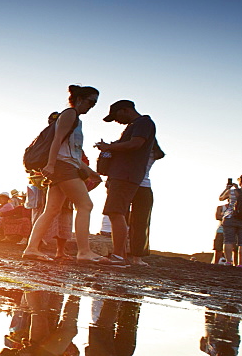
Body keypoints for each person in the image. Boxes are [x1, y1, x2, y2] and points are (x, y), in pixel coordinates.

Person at [22, 85, 104, 262]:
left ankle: (31, 248)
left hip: (64, 166)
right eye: (91, 101)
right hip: (62, 167)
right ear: (80, 99)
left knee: (52, 209)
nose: (92, 106)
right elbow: (57, 140)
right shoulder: (70, 114)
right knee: (85, 205)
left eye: (95, 103)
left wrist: (90, 172)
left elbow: (72, 153)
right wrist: (50, 164)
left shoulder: (75, 118)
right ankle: (84, 252)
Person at [95, 100, 157, 267]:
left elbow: (136, 144)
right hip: (127, 175)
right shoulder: (138, 125)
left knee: (116, 212)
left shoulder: (143, 122)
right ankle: (122, 256)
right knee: (119, 213)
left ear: (126, 110)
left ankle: (119, 256)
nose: (116, 120)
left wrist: (110, 147)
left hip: (125, 175)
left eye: (116, 116)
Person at [126, 141, 165, 266]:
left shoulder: (134, 150)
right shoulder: (153, 153)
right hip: (144, 187)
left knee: (124, 219)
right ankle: (136, 257)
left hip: (128, 184)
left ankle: (124, 255)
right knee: (141, 224)